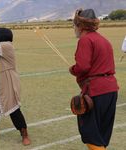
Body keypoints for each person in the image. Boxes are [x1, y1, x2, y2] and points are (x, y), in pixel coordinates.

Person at [69, 9, 119, 150]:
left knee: (90, 134)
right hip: (111, 90)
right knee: (102, 134)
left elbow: (83, 67)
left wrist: (73, 69)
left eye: (74, 25)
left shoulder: (85, 40)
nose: (74, 28)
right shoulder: (104, 40)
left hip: (96, 91)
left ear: (80, 25)